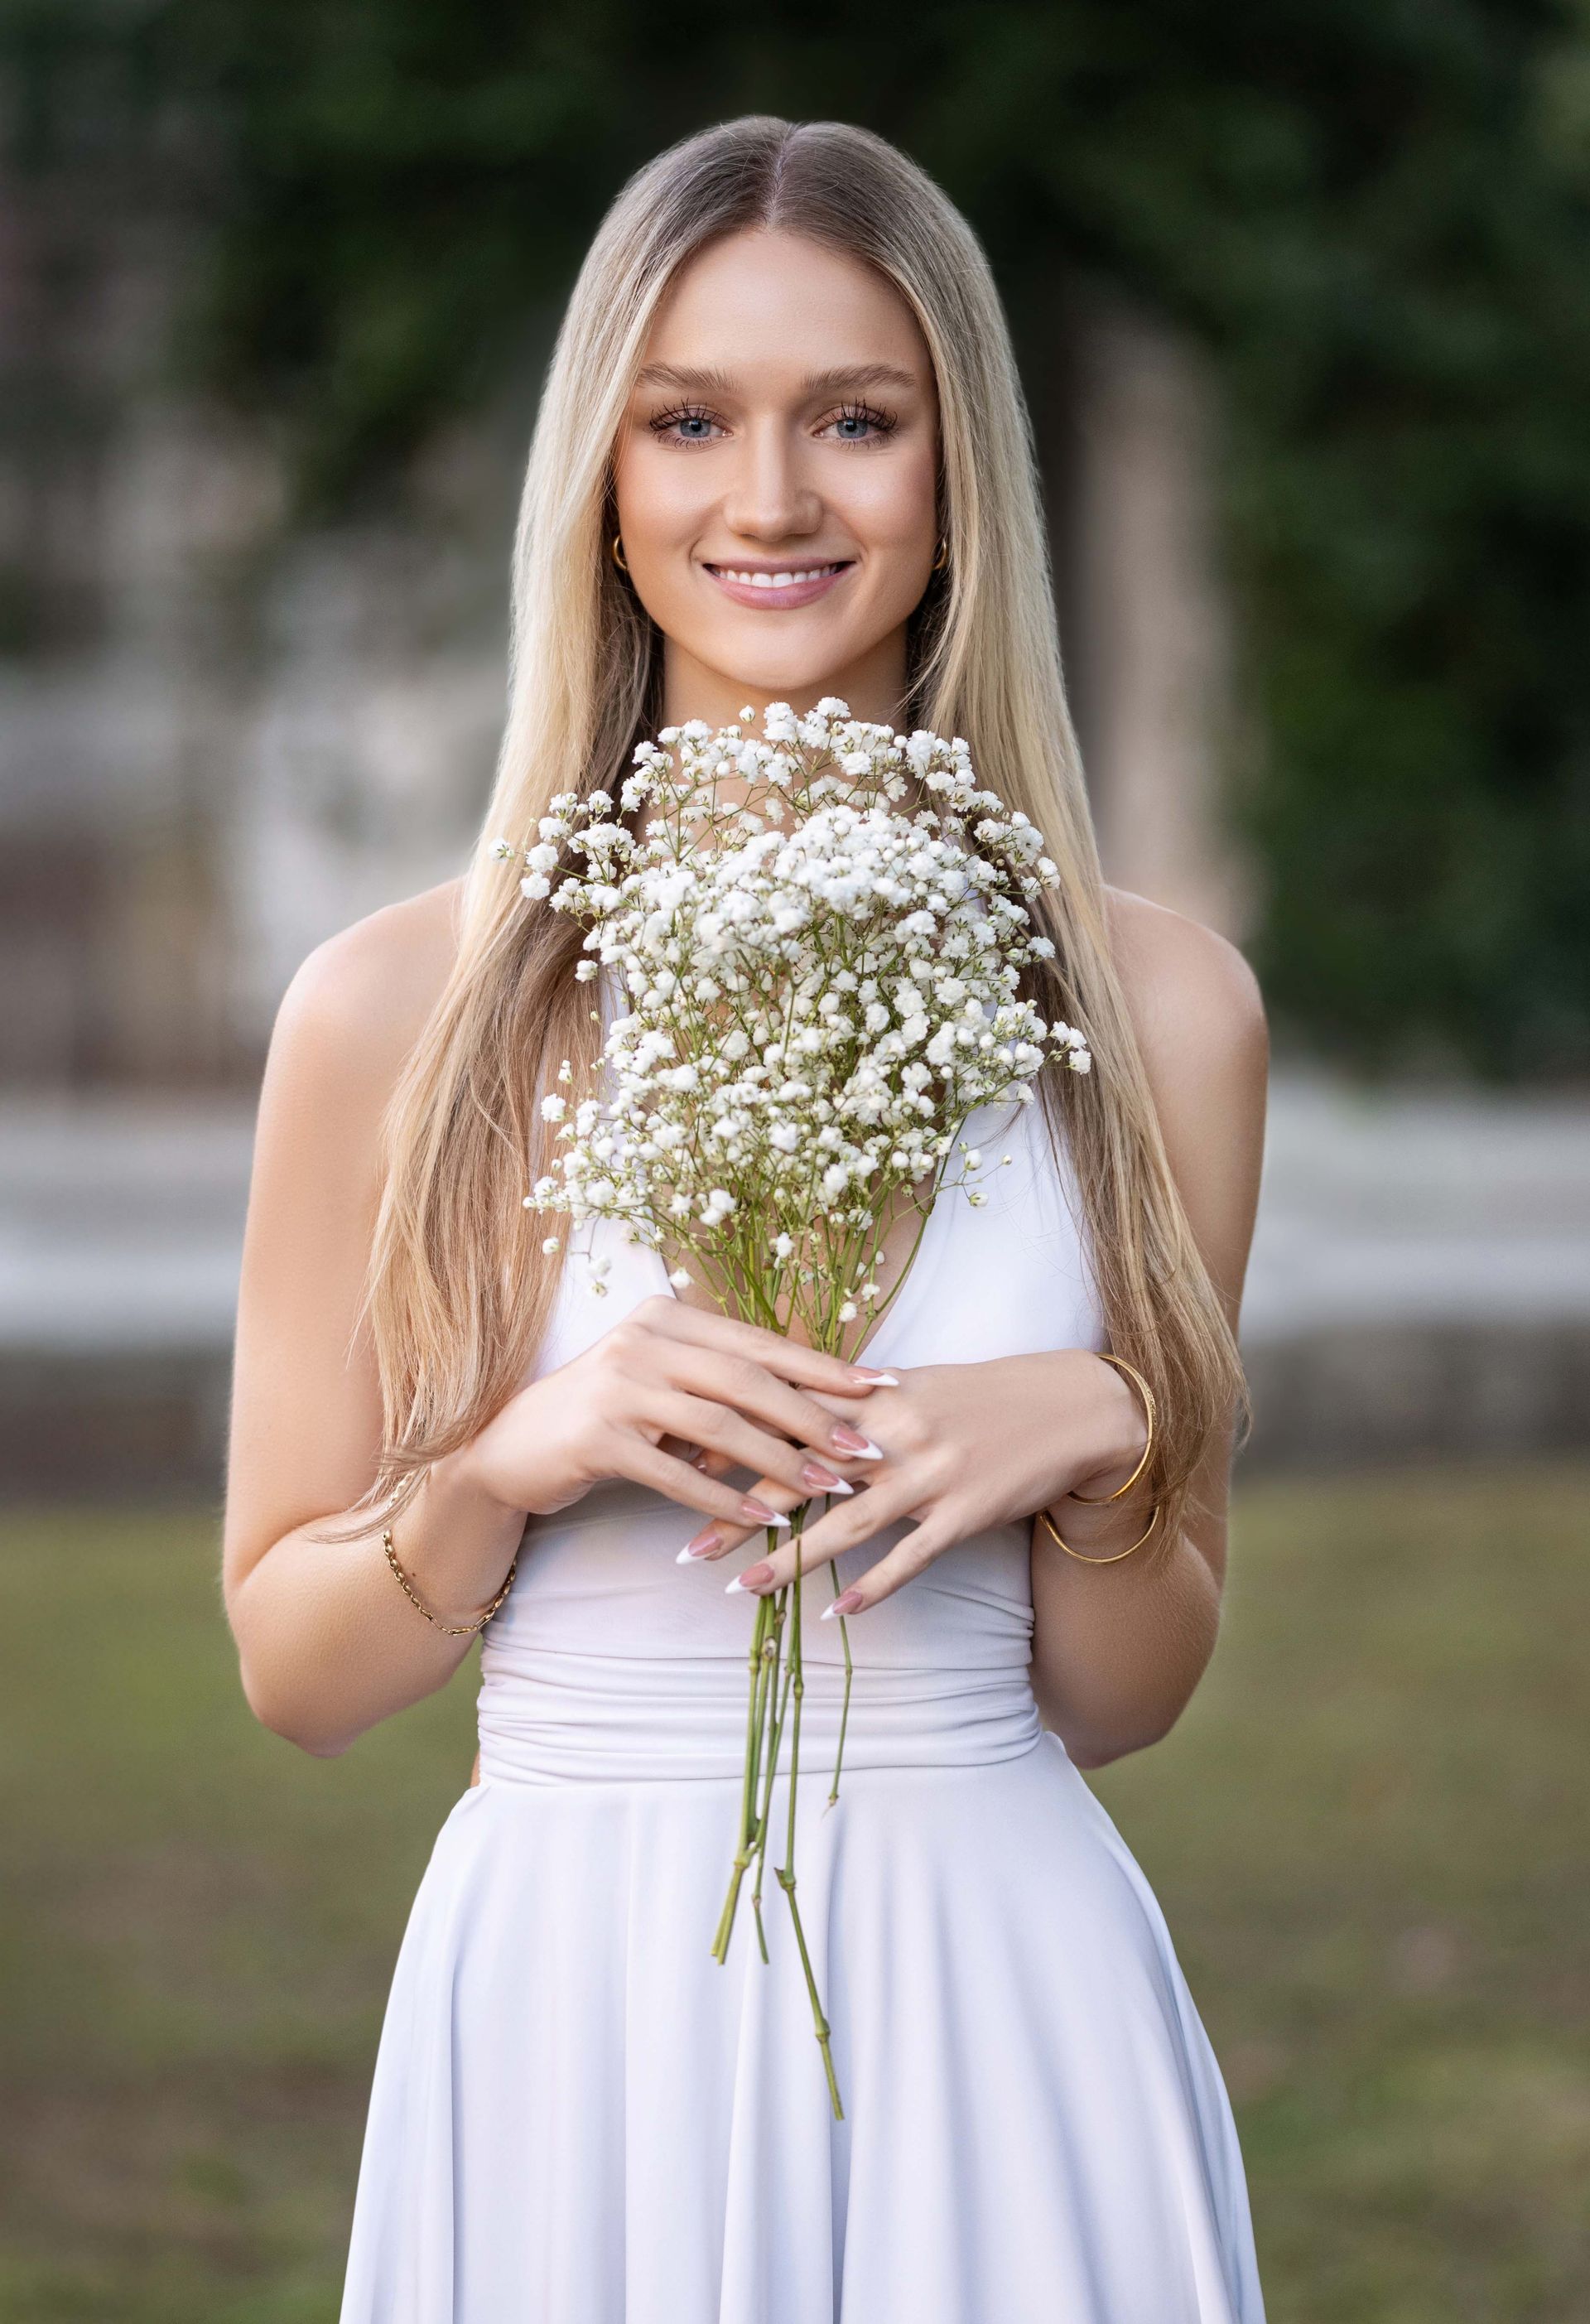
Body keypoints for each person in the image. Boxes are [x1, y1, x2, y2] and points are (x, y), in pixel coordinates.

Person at [224, 115, 1270, 2324]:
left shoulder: (1156, 1005)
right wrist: (520, 1459)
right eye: (688, 420)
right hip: (568, 2016)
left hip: (1003, 1997)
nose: (769, 501)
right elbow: (299, 1672)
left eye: (856, 422)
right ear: (600, 474)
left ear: (958, 464)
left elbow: (1132, 1695)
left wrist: (1090, 1441)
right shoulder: (394, 1007)